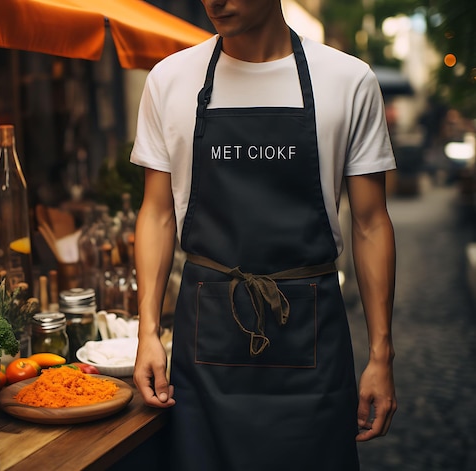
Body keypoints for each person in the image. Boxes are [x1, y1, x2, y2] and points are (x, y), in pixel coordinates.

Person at [130, 1, 397, 469]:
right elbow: (155, 214)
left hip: (312, 348)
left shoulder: (348, 80)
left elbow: (371, 223)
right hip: (205, 347)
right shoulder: (169, 80)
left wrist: (381, 354)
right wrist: (147, 333)